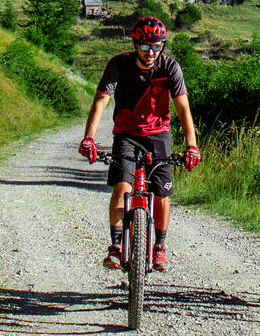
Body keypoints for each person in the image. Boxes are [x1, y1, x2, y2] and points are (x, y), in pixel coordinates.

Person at [79, 16, 200, 271]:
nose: (151, 52)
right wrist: (89, 138)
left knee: (162, 192)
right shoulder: (119, 65)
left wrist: (192, 145)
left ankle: (159, 248)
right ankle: (115, 246)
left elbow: (183, 109)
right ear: (135, 45)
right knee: (122, 187)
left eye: (157, 46)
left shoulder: (170, 68)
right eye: (145, 46)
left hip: (159, 135)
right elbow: (101, 100)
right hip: (126, 133)